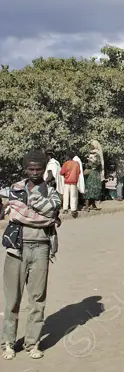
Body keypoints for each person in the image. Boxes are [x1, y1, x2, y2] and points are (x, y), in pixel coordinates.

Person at [0, 150, 61, 360]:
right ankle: (8, 342)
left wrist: (21, 212)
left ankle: (32, 343)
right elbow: (43, 216)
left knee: (37, 299)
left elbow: (52, 213)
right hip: (16, 247)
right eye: (31, 169)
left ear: (44, 170)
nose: (35, 172)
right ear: (25, 169)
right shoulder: (14, 189)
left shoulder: (51, 191)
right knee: (12, 299)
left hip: (41, 246)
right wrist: (41, 215)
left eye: (39, 169)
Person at [60, 153, 82, 217]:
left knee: (66, 195)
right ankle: (73, 209)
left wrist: (66, 175)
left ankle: (65, 208)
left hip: (67, 181)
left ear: (68, 157)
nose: (65, 157)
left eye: (66, 156)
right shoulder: (76, 164)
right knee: (73, 196)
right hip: (74, 181)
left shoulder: (65, 164)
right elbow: (79, 172)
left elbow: (61, 172)